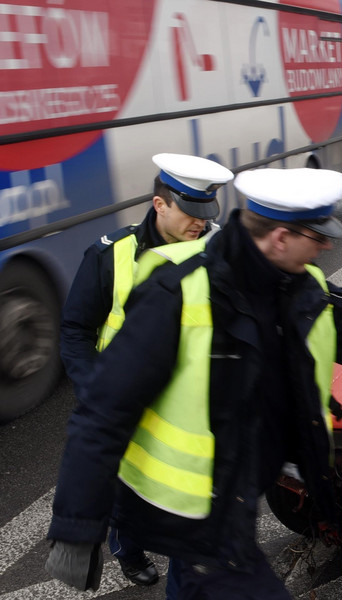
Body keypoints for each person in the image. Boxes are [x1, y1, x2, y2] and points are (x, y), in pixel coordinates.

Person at [45, 167, 342, 598]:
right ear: (281, 237)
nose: (324, 246)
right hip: (200, 504)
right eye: (317, 236)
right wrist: (75, 530)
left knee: (192, 584)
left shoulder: (301, 288)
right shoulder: (178, 293)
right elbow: (103, 412)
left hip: (243, 488)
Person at [58, 153, 234, 588]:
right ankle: (128, 550)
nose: (201, 222)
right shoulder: (111, 254)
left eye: (207, 212)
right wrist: (92, 386)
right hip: (123, 397)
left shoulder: (221, 253)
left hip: (186, 403)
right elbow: (76, 329)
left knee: (186, 489)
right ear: (160, 205)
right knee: (124, 489)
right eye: (191, 212)